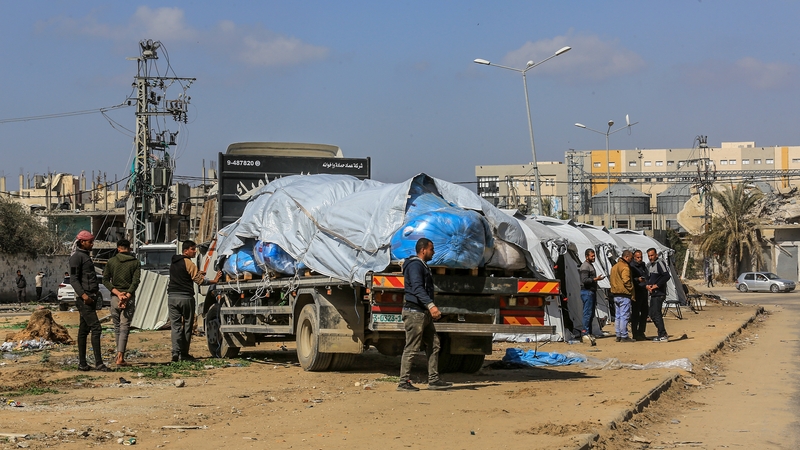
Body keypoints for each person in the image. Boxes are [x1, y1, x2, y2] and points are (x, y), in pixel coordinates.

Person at [397, 238, 452, 392]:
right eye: (431, 249)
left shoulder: (422, 266)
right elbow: (417, 288)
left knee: (434, 344)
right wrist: (431, 305)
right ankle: (403, 382)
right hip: (415, 313)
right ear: (423, 250)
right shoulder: (415, 265)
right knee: (412, 347)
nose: (433, 252)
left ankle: (434, 380)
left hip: (423, 313)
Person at [168, 240, 222, 362]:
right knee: (187, 325)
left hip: (172, 297)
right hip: (185, 298)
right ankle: (184, 353)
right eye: (192, 249)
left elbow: (184, 274)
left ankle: (175, 352)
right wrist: (214, 280)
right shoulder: (189, 263)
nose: (195, 251)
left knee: (175, 326)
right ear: (186, 250)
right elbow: (200, 281)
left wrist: (197, 272)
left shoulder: (174, 262)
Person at [69, 230, 112, 372]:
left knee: (83, 330)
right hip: (85, 299)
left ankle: (82, 364)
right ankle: (99, 363)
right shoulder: (76, 257)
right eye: (90, 242)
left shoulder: (85, 256)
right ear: (82, 242)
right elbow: (74, 279)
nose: (92, 244)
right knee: (96, 328)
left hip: (91, 298)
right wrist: (83, 295)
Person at [103, 239, 141, 366]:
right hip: (128, 298)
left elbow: (105, 280)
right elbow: (136, 281)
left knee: (117, 326)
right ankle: (121, 357)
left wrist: (118, 294)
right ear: (129, 249)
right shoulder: (135, 263)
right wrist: (127, 295)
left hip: (115, 297)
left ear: (118, 248)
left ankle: (118, 355)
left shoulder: (111, 261)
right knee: (125, 327)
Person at [578, 249, 603, 345]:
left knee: (591, 314)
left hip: (591, 292)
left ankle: (589, 333)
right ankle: (585, 333)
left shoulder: (590, 265)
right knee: (587, 313)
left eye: (594, 256)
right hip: (587, 292)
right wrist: (596, 279)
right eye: (592, 256)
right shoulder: (585, 266)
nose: (593, 258)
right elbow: (584, 280)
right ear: (586, 256)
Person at [609, 249, 635, 342]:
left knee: (618, 316)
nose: (632, 260)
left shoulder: (614, 267)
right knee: (624, 316)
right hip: (624, 294)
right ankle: (624, 335)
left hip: (615, 294)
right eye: (631, 258)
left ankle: (618, 334)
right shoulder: (625, 267)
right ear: (626, 257)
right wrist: (631, 288)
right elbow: (626, 280)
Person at [646, 248, 671, 342]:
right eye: (649, 256)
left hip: (659, 293)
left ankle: (663, 334)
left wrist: (657, 285)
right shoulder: (649, 265)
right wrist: (648, 285)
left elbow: (666, 276)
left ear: (656, 255)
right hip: (653, 294)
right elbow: (649, 278)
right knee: (652, 314)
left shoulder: (660, 263)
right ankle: (661, 333)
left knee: (656, 314)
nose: (650, 257)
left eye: (652, 255)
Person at [629, 250, 650, 341]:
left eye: (641, 257)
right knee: (635, 314)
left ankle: (641, 332)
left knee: (645, 313)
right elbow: (630, 279)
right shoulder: (631, 266)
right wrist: (638, 279)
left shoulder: (643, 265)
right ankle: (635, 333)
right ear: (634, 257)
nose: (640, 259)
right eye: (638, 257)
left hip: (644, 291)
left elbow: (647, 275)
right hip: (636, 292)